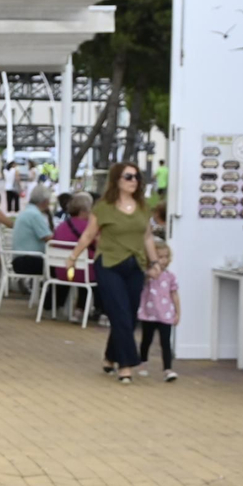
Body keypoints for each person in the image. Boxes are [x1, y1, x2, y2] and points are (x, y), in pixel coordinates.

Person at [64, 162, 159, 382]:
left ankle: (110, 356)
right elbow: (88, 236)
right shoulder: (103, 207)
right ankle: (126, 364)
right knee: (119, 312)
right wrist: (72, 258)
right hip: (109, 264)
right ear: (117, 180)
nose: (133, 180)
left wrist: (154, 262)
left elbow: (147, 237)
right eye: (128, 177)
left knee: (128, 315)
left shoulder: (143, 207)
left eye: (136, 177)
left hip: (135, 265)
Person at [138, 242, 180, 382]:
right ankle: (142, 362)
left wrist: (177, 312)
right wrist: (148, 274)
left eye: (166, 257)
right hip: (149, 314)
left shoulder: (170, 276)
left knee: (165, 342)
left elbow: (174, 294)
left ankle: (168, 368)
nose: (163, 260)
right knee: (146, 340)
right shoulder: (147, 275)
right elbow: (140, 283)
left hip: (165, 314)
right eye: (160, 257)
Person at [51, 191, 95, 315]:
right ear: (85, 209)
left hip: (62, 270)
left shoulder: (61, 226)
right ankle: (99, 311)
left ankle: (74, 308)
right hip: (83, 273)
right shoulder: (90, 228)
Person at [9, 186, 53, 277]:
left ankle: (46, 290)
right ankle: (50, 291)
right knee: (61, 268)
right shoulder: (34, 215)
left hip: (19, 259)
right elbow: (49, 238)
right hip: (27, 261)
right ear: (45, 201)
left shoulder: (27, 211)